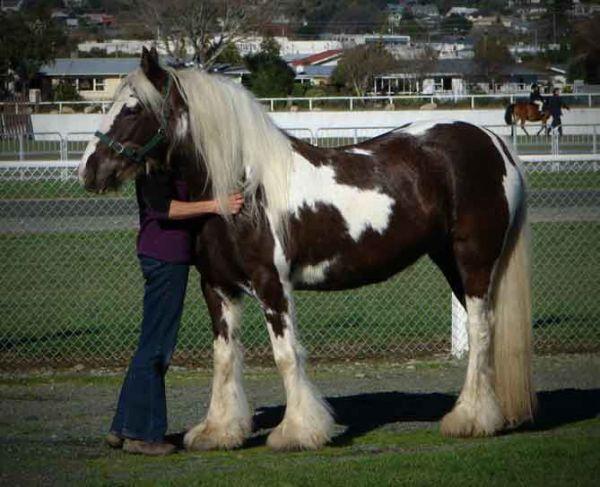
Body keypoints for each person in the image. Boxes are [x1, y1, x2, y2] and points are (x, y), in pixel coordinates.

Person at [106, 167, 244, 456]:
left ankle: (123, 426)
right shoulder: (155, 163)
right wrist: (216, 205)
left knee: (150, 343)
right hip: (165, 258)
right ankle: (143, 435)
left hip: (165, 256)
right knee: (158, 347)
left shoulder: (161, 158)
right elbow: (163, 208)